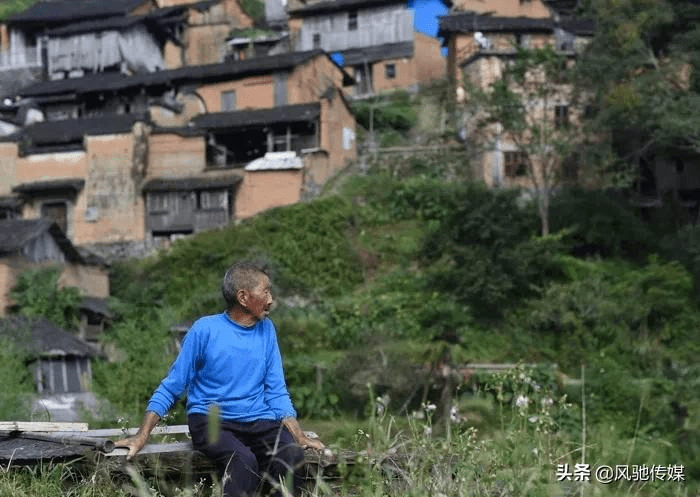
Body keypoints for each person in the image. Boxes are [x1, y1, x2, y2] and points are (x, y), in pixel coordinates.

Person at [115, 261, 324, 497]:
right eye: (265, 292)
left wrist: (299, 436)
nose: (271, 299)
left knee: (292, 456)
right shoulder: (204, 330)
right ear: (243, 297)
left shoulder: (267, 329)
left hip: (258, 421)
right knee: (243, 462)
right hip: (211, 422)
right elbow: (173, 385)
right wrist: (143, 435)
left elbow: (276, 390)